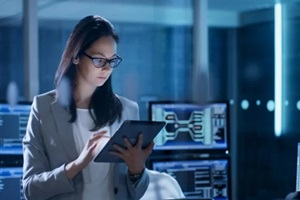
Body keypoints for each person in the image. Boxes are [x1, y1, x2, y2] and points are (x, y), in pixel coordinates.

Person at [22, 15, 153, 200]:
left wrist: (137, 170)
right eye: (99, 60)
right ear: (76, 57)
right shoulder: (43, 108)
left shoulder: (127, 109)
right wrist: (77, 164)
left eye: (112, 60)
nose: (107, 69)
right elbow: (30, 190)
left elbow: (136, 194)